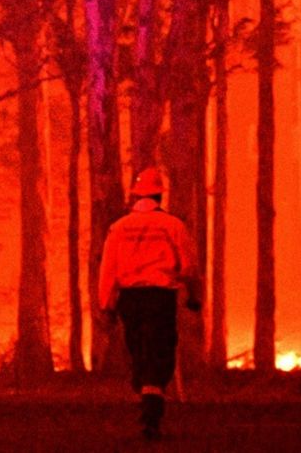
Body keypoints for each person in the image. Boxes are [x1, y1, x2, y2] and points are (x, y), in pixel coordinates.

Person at [96, 166, 200, 441]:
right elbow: (189, 265)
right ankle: (152, 407)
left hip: (130, 299)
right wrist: (194, 295)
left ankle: (145, 397)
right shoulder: (173, 226)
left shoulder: (118, 228)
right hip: (160, 297)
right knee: (161, 351)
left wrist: (106, 304)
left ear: (135, 196)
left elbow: (108, 268)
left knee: (139, 350)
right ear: (159, 196)